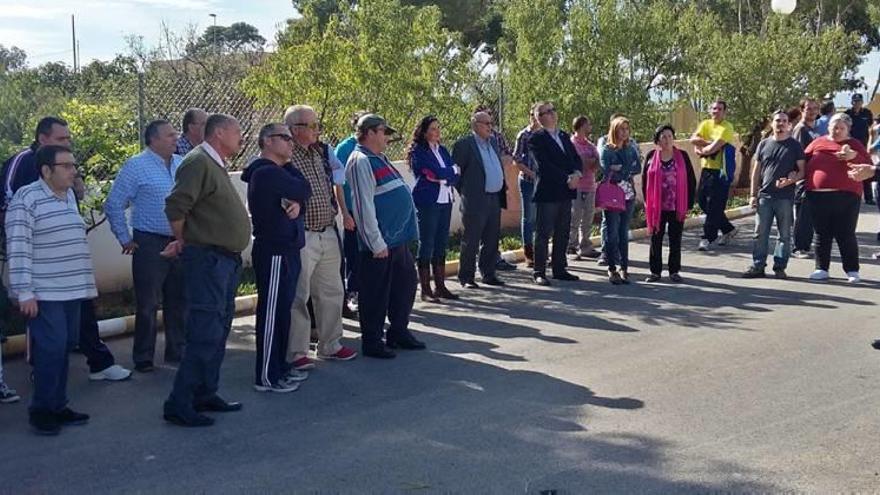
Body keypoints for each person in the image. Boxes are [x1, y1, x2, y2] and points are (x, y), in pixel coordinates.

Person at [2, 117, 130, 382]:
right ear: (42, 139)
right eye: (62, 139)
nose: (68, 142)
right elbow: (11, 212)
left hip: (71, 271)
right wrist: (24, 285)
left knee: (80, 318)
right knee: (46, 330)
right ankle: (44, 380)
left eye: (69, 138)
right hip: (42, 272)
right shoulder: (22, 164)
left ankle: (96, 364)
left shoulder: (66, 174)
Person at [161, 113, 252, 427]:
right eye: (238, 131)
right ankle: (179, 402)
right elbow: (176, 204)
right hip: (208, 261)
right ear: (221, 133)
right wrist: (182, 240)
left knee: (219, 329)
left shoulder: (214, 162)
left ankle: (205, 392)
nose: (241, 137)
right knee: (204, 332)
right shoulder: (197, 161)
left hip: (223, 260)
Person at [6, 144, 97, 435]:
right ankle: (42, 410)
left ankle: (59, 405)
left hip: (71, 290)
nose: (74, 171)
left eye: (74, 164)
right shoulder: (26, 199)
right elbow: (18, 247)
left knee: (64, 349)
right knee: (50, 351)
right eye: (67, 166)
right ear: (46, 171)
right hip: (45, 293)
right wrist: (24, 292)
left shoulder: (68, 195)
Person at [104, 120, 186, 373]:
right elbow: (114, 203)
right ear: (154, 140)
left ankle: (177, 351)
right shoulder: (136, 166)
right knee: (148, 302)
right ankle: (144, 357)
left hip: (181, 240)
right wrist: (124, 237)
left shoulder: (182, 164)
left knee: (179, 299)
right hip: (149, 241)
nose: (176, 138)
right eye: (170, 135)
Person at [283, 105, 358, 372]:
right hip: (302, 235)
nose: (318, 130)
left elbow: (335, 183)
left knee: (331, 291)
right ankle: (296, 351)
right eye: (313, 126)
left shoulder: (321, 152)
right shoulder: (285, 155)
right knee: (298, 295)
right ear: (295, 129)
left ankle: (330, 344)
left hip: (326, 230)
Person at [240, 123, 312, 392]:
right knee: (271, 314)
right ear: (268, 141)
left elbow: (301, 193)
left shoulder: (277, 171)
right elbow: (304, 188)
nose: (291, 143)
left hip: (288, 249)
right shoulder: (267, 173)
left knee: (283, 312)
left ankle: (280, 367)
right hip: (274, 251)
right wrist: (298, 195)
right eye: (285, 138)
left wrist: (298, 203)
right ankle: (267, 376)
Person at [346, 114, 423, 359]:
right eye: (382, 132)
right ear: (369, 133)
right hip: (380, 243)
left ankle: (398, 332)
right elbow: (362, 206)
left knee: (405, 284)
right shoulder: (360, 161)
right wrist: (375, 242)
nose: (387, 137)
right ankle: (372, 340)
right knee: (375, 293)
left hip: (397, 239)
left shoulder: (378, 158)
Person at [803, 113, 873, 283]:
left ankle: (852, 270)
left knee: (846, 234)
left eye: (842, 128)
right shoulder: (818, 142)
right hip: (817, 195)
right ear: (828, 127)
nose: (837, 130)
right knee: (821, 234)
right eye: (834, 127)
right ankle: (821, 268)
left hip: (847, 196)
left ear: (848, 129)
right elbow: (802, 159)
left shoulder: (854, 145)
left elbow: (869, 166)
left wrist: (853, 156)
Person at [741, 111, 804, 279]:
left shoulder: (795, 146)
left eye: (784, 121)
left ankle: (780, 267)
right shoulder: (763, 144)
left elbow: (802, 171)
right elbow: (756, 171)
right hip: (765, 197)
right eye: (778, 121)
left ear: (788, 124)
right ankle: (758, 266)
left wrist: (791, 180)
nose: (781, 124)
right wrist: (753, 194)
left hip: (785, 197)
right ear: (772, 123)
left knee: (784, 234)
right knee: (760, 233)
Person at [407, 116, 461, 302]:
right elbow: (433, 172)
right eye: (432, 128)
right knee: (427, 243)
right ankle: (425, 289)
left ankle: (440, 286)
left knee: (441, 242)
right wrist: (447, 174)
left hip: (445, 199)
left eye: (438, 128)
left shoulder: (443, 150)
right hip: (428, 201)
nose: (437, 132)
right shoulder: (418, 152)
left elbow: (456, 172)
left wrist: (445, 175)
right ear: (424, 131)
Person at [528, 102, 582, 286]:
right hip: (549, 192)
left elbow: (575, 158)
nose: (553, 114)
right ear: (539, 117)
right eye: (548, 111)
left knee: (563, 231)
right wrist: (566, 178)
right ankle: (539, 272)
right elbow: (543, 165)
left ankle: (559, 268)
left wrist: (577, 173)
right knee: (543, 233)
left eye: (553, 110)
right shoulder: (536, 139)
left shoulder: (564, 136)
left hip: (566, 192)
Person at [452, 112, 507, 288]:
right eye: (486, 123)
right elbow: (456, 174)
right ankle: (466, 277)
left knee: (492, 238)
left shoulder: (493, 143)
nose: (490, 127)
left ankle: (488, 273)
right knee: (472, 239)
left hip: (494, 197)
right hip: (475, 199)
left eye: (491, 123)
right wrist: (468, 193)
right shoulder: (464, 145)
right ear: (475, 124)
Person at [642, 125, 696, 283]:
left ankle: (674, 271)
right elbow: (645, 179)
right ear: (657, 139)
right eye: (663, 136)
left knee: (675, 239)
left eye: (670, 136)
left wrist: (689, 203)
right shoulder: (652, 156)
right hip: (656, 207)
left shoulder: (682, 156)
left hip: (676, 205)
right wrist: (647, 201)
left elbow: (691, 179)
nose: (667, 139)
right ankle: (655, 272)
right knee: (655, 239)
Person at [474, 104, 517, 272]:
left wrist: (496, 162)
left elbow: (508, 156)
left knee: (494, 225)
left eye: (490, 117)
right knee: (480, 225)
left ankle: (495, 257)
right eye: (483, 118)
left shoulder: (497, 137)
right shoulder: (470, 141)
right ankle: (481, 260)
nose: (488, 123)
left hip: (497, 185)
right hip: (480, 189)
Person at [691, 100, 738, 251]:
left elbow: (713, 148)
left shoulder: (727, 127)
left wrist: (703, 147)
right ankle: (728, 229)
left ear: (725, 112)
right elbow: (693, 139)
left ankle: (707, 237)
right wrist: (707, 145)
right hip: (706, 170)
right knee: (703, 202)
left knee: (714, 205)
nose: (716, 111)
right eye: (713, 108)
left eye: (719, 109)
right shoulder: (705, 124)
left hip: (721, 172)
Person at [599, 116, 641, 284]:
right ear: (614, 130)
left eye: (626, 129)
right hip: (613, 193)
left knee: (623, 232)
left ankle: (624, 267)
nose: (624, 132)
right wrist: (623, 170)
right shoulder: (607, 149)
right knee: (612, 232)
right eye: (621, 129)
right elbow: (606, 169)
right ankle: (612, 268)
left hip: (628, 193)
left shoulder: (630, 148)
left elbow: (637, 167)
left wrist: (621, 169)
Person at [335, 112, 367, 318]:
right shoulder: (345, 149)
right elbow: (338, 184)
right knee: (353, 253)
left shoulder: (372, 148)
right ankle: (352, 293)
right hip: (353, 210)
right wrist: (346, 213)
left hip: (369, 209)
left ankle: (368, 293)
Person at [791, 98, 821, 259]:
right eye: (809, 108)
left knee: (810, 215)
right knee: (803, 214)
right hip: (804, 179)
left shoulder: (815, 129)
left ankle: (806, 245)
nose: (812, 111)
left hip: (815, 179)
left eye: (815, 109)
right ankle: (799, 247)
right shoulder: (801, 129)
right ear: (802, 110)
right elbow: (800, 157)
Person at [568, 115, 601, 260]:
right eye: (588, 124)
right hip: (577, 186)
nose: (590, 127)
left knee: (588, 217)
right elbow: (576, 162)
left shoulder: (590, 145)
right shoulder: (571, 144)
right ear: (581, 126)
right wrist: (586, 161)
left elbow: (596, 162)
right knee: (574, 217)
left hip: (590, 185)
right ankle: (570, 246)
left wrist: (589, 162)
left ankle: (585, 246)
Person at [512, 111, 540, 267]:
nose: (535, 119)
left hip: (543, 182)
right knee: (528, 217)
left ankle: (540, 252)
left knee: (541, 217)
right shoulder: (524, 135)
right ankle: (529, 254)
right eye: (533, 115)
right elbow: (516, 158)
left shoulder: (545, 135)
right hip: (528, 181)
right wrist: (531, 173)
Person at [845, 93, 875, 204]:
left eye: (859, 101)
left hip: (863, 146)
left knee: (866, 169)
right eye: (855, 101)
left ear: (862, 102)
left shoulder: (867, 113)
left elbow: (871, 129)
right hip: (850, 146)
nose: (856, 103)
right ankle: (850, 195)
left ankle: (869, 197)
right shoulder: (847, 114)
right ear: (852, 102)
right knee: (850, 170)